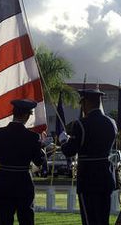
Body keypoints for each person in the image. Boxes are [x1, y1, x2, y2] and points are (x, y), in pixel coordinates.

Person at [59, 88, 117, 225]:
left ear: (86, 103)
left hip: (88, 178)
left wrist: (63, 141)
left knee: (89, 219)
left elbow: (69, 151)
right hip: (106, 177)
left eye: (82, 104)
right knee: (103, 220)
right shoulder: (111, 123)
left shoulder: (81, 124)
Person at [0, 99, 49, 225]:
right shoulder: (33, 137)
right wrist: (43, 148)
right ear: (27, 115)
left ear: (14, 113)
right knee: (26, 220)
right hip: (23, 183)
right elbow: (38, 161)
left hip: (4, 181)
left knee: (4, 220)